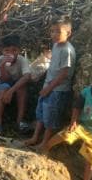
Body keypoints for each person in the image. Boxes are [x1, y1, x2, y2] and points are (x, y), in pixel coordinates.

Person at [24, 16, 76, 151]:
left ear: (68, 33)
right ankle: (35, 137)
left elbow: (64, 74)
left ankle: (45, 143)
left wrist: (49, 88)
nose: (54, 34)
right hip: (48, 86)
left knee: (50, 118)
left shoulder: (67, 50)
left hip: (58, 90)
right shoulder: (56, 45)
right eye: (52, 31)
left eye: (58, 31)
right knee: (41, 113)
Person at [0, 35, 31, 134]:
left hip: (16, 84)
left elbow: (27, 77)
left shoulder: (22, 60)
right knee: (4, 87)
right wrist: (3, 66)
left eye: (14, 50)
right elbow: (3, 80)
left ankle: (20, 121)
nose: (10, 53)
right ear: (2, 51)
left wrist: (11, 91)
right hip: (1, 83)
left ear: (19, 50)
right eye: (7, 51)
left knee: (22, 88)